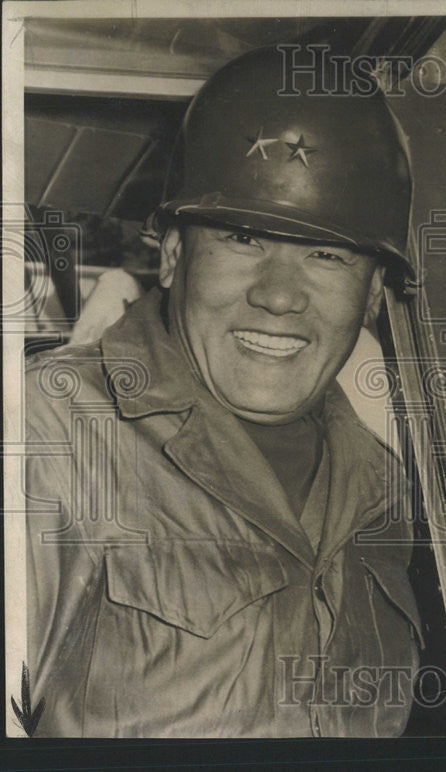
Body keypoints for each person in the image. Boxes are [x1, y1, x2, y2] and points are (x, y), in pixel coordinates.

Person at [23, 45, 421, 737]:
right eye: (242, 238)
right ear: (174, 254)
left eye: (327, 255)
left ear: (373, 295)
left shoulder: (382, 487)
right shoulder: (49, 428)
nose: (278, 295)